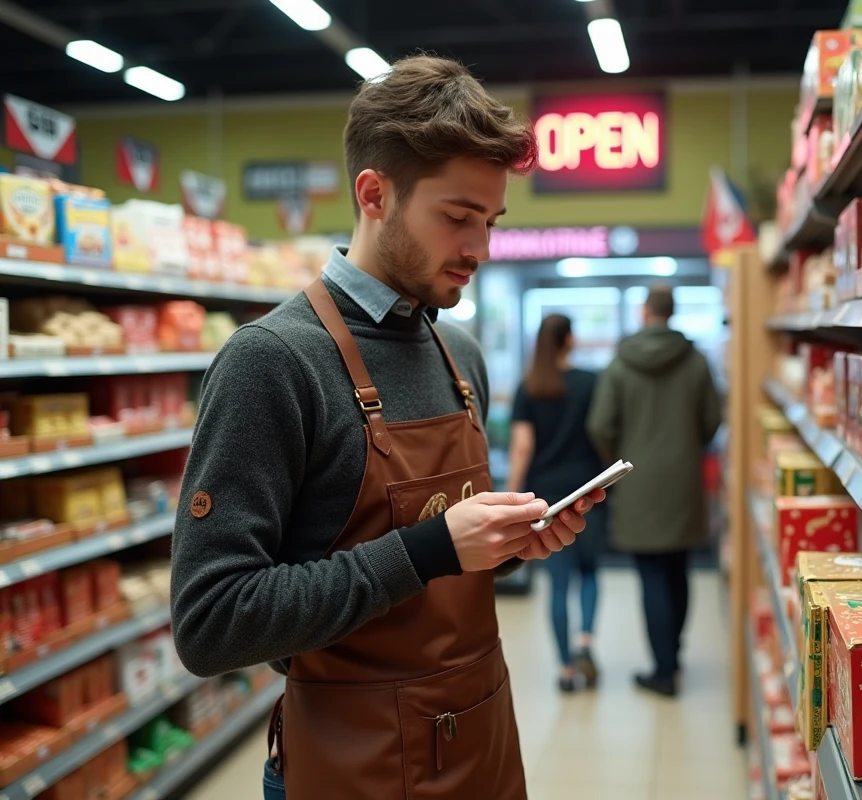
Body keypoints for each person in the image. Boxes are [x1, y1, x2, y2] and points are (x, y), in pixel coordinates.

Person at [168, 55, 604, 800]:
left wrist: (505, 547)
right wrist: (433, 547)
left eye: (491, 222)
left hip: (481, 742)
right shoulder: (271, 363)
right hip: (353, 766)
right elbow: (211, 623)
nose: (480, 250)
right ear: (375, 194)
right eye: (458, 217)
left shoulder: (458, 354)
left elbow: (441, 566)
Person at [587, 284, 722, 698]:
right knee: (678, 570)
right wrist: (687, 445)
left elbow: (600, 425)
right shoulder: (696, 361)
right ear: (673, 311)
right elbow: (712, 419)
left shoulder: (620, 363)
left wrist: (618, 460)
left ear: (646, 312)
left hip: (637, 482)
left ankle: (662, 670)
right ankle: (673, 656)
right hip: (682, 481)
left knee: (650, 577)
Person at [506, 314, 607, 693]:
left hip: (545, 498)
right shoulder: (590, 383)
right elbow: (602, 432)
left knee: (558, 582)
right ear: (569, 340)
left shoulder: (529, 387)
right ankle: (585, 643)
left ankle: (565, 669)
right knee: (590, 573)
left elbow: (522, 447)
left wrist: (512, 498)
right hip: (587, 492)